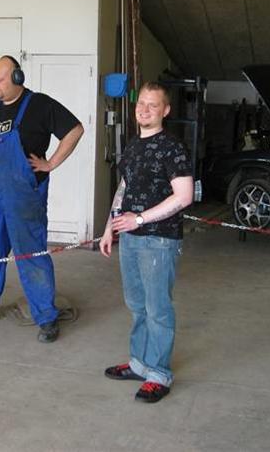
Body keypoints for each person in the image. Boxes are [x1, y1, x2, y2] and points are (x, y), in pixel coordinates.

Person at [0, 55, 84, 343]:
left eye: (0, 80)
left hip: (24, 195)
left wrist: (50, 163)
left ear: (17, 77)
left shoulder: (40, 105)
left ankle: (46, 317)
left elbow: (75, 130)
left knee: (30, 253)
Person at [99, 81, 193, 403]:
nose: (144, 109)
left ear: (165, 110)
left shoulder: (172, 148)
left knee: (157, 309)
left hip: (159, 241)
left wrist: (139, 219)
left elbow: (184, 196)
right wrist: (110, 226)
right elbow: (124, 188)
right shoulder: (133, 146)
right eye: (141, 103)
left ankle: (159, 374)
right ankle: (139, 364)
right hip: (130, 237)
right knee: (137, 305)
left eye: (153, 105)